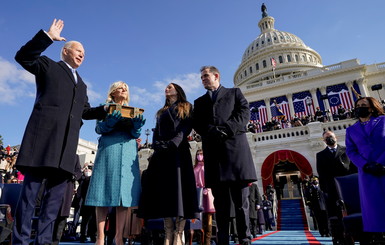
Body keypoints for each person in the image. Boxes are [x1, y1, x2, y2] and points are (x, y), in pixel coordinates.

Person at [12, 19, 107, 244]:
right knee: (29, 196)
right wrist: (47, 37)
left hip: (65, 149)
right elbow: (23, 57)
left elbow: (84, 111)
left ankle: (44, 241)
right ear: (65, 50)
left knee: (53, 203)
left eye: (84, 52)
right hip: (42, 141)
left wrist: (106, 109)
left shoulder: (82, 84)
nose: (82, 54)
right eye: (79, 50)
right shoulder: (47, 66)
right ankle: (21, 240)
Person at [193, 66, 258, 245]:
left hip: (236, 154)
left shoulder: (235, 93)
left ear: (216, 76)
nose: (203, 79)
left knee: (241, 203)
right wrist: (212, 131)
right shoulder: (199, 102)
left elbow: (244, 114)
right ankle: (223, 239)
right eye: (201, 77)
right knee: (220, 205)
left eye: (206, 76)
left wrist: (226, 130)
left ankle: (244, 237)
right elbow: (197, 123)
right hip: (215, 158)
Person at [85, 81, 145, 245]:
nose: (124, 89)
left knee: (124, 196)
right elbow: (99, 129)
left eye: (126, 88)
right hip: (109, 150)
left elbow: (134, 134)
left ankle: (119, 237)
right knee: (102, 192)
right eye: (120, 87)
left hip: (127, 152)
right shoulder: (104, 108)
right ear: (112, 92)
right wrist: (109, 122)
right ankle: (100, 237)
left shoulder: (133, 111)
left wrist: (137, 127)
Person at [139, 83, 199, 245]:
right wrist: (157, 145)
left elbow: (185, 128)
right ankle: (168, 232)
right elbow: (156, 131)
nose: (167, 89)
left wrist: (172, 144)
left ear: (178, 90)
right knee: (165, 193)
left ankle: (179, 233)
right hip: (162, 156)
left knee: (180, 192)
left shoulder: (186, 107)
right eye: (166, 87)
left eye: (170, 87)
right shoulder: (161, 111)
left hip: (179, 153)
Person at [345, 97, 385, 238]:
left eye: (363, 105)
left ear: (372, 108)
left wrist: (381, 163)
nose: (360, 107)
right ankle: (378, 235)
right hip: (367, 173)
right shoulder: (351, 130)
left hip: (383, 167)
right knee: (374, 207)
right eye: (358, 105)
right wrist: (365, 165)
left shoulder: (383, 121)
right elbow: (351, 151)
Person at [316, 131, 357, 229]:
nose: (329, 139)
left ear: (336, 137)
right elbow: (321, 173)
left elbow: (353, 168)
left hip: (348, 186)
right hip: (332, 189)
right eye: (326, 138)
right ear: (324, 141)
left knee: (353, 210)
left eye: (330, 136)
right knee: (337, 214)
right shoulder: (321, 155)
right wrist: (325, 189)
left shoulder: (346, 150)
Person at [193, 149, 215, 245]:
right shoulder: (194, 167)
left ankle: (207, 241)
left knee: (209, 217)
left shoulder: (207, 166)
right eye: (197, 154)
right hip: (198, 194)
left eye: (201, 154)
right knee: (199, 218)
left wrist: (207, 187)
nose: (199, 156)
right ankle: (200, 239)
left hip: (207, 193)